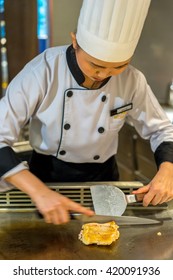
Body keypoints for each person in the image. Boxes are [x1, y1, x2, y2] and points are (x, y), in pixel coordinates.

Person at [0, 0, 173, 225]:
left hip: (104, 178)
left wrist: (168, 170)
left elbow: (161, 129)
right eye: (95, 65)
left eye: (117, 66)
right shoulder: (43, 71)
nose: (104, 75)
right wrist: (39, 192)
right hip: (46, 176)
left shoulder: (132, 80)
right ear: (75, 42)